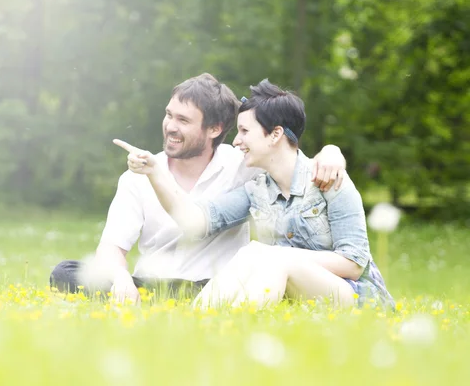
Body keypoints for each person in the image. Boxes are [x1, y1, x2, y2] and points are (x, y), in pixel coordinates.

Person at [50, 73, 346, 302]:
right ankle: (146, 300)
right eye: (169, 115)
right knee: (65, 273)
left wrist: (331, 152)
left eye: (183, 120)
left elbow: (288, 158)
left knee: (262, 283)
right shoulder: (137, 175)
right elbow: (112, 248)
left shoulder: (242, 164)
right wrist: (121, 280)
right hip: (150, 284)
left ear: (214, 129)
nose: (170, 126)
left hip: (214, 284)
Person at [116, 79, 393, 308]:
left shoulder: (330, 180)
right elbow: (195, 222)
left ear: (275, 135)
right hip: (296, 288)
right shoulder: (256, 189)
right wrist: (154, 172)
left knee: (269, 254)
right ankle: (197, 321)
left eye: (245, 131)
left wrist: (281, 256)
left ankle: (234, 324)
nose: (236, 141)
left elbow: (354, 264)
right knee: (254, 253)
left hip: (357, 296)